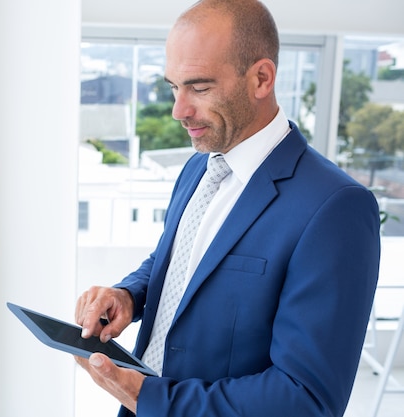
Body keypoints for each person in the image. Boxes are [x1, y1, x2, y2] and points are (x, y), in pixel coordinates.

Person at [74, 0, 381, 416]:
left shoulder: (336, 208)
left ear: (261, 78)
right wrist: (130, 294)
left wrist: (146, 396)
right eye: (173, 87)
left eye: (199, 88)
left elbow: (306, 400)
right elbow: (182, 258)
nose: (178, 110)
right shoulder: (199, 166)